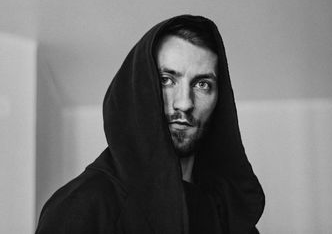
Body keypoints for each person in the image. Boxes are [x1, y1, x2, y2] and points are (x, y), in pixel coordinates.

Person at [36, 15, 265, 234]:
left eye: (202, 84)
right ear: (140, 86)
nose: (184, 103)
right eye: (167, 80)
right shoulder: (83, 205)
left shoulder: (230, 215)